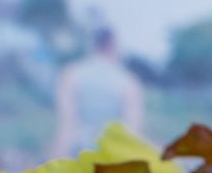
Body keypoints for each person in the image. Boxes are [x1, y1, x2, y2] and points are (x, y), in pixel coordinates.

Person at [50, 25, 143, 154]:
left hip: (79, 155)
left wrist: (54, 159)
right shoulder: (128, 81)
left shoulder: (72, 74)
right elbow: (132, 131)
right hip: (111, 157)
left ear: (93, 45)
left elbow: (67, 124)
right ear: (113, 46)